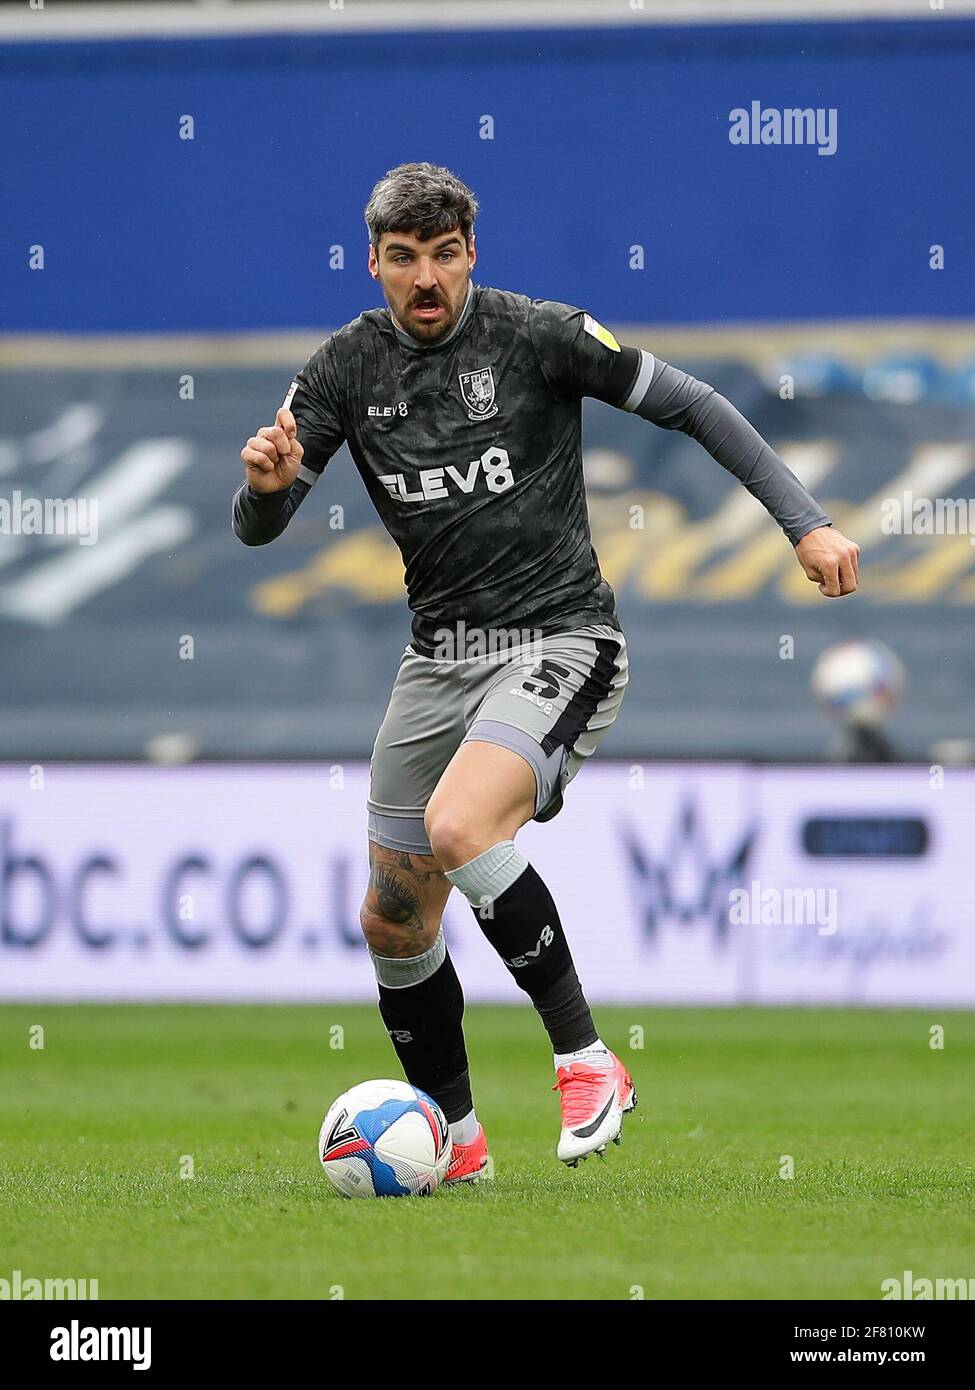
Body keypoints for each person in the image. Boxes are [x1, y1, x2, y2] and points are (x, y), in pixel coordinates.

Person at [233, 162, 859, 1179]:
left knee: (458, 826)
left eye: (444, 254)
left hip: (562, 640)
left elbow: (695, 403)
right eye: (404, 259)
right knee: (393, 913)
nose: (425, 278)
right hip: (437, 659)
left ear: (472, 252)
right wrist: (261, 491)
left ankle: (587, 1058)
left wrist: (807, 522)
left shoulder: (537, 335)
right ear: (375, 264)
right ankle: (458, 1142)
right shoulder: (343, 369)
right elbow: (259, 526)